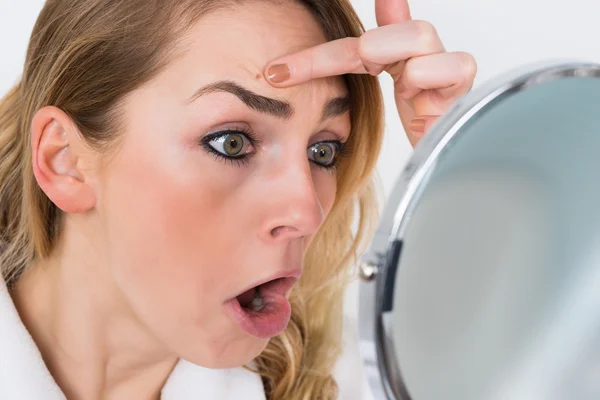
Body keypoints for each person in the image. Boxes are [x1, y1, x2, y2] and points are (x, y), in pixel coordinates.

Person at [0, 0, 476, 398]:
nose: (307, 212)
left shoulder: (355, 384)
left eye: (322, 150)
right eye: (231, 143)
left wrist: (472, 177)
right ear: (64, 160)